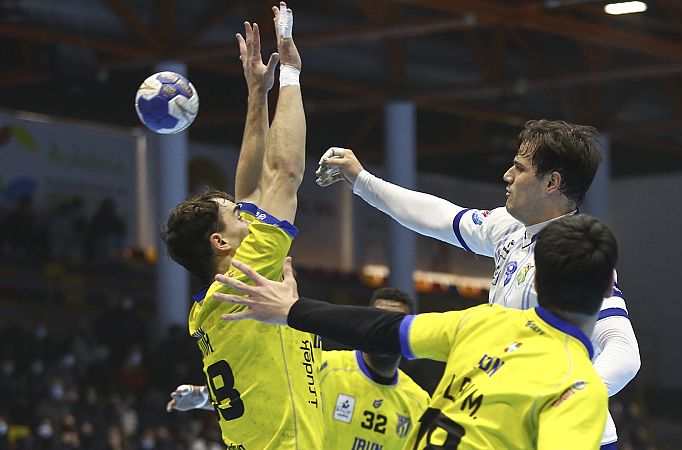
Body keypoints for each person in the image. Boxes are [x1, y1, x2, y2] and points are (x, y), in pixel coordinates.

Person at [315, 120, 640, 449]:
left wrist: (566, 395)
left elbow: (625, 353)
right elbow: (438, 217)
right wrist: (362, 180)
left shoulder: (576, 258)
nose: (507, 176)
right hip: (509, 427)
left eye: (519, 168)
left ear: (552, 182)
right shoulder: (509, 227)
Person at [212, 214, 615, 449]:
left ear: (537, 282)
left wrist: (291, 310)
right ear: (607, 289)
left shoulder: (483, 322)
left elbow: (381, 330)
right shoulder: (579, 386)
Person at [159, 3, 323, 448]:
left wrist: (257, 94)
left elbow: (251, 189)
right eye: (236, 217)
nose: (246, 211)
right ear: (220, 241)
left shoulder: (222, 296)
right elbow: (285, 175)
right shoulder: (246, 277)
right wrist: (290, 73)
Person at [167, 288, 430, 450]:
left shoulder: (419, 402)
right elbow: (264, 398)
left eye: (392, 324)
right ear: (364, 325)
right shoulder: (324, 367)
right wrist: (204, 397)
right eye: (377, 321)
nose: (383, 332)